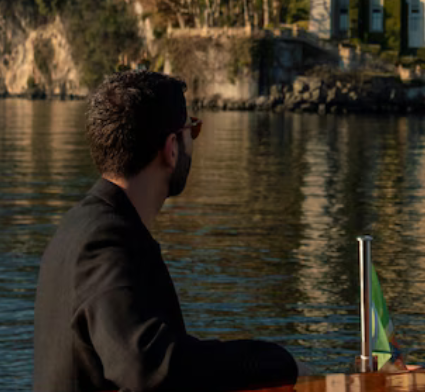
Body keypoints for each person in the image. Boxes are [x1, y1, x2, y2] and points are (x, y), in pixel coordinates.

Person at [33, 71, 299, 392]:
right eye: (193, 130)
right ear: (172, 148)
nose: (192, 142)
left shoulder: (79, 227)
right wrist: (278, 361)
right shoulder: (104, 243)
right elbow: (146, 365)